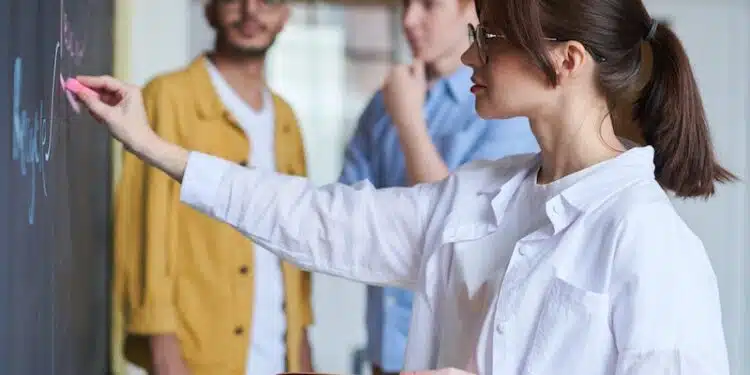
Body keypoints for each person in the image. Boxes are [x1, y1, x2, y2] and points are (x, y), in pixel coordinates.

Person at [76, 0, 734, 373]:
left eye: (490, 38)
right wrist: (157, 146)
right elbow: (322, 218)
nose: (471, 55)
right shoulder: (480, 194)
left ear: (565, 62)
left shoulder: (653, 249)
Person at [112, 1, 313, 374]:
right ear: (210, 10)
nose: (250, 11)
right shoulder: (168, 96)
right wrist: (159, 338)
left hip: (278, 353)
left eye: (268, 1)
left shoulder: (286, 119)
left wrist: (301, 343)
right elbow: (144, 226)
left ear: (285, 15)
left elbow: (296, 239)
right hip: (198, 351)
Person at [339, 0, 538, 373]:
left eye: (429, 4)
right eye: (406, 4)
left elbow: (463, 231)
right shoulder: (382, 105)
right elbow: (349, 217)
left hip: (455, 362)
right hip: (382, 356)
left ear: (471, 11)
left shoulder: (504, 109)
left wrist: (409, 121)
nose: (409, 19)